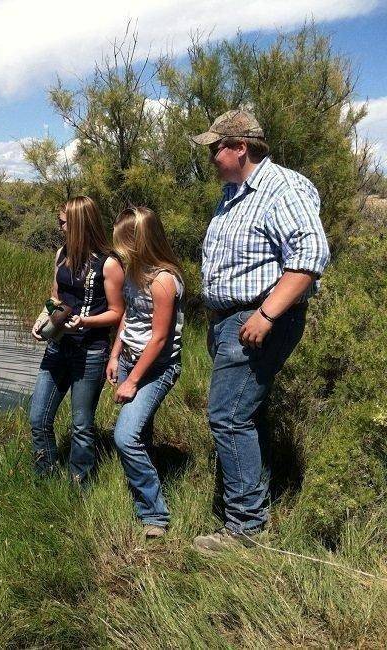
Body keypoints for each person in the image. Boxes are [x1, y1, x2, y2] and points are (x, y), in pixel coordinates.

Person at [190, 110, 330, 552]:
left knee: (227, 416)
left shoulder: (280, 187)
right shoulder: (234, 193)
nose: (211, 156)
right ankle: (254, 503)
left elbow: (310, 256)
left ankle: (246, 527)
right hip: (233, 320)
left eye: (216, 148)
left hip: (258, 320)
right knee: (244, 414)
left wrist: (267, 315)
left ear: (240, 148)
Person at [29, 196, 124, 484]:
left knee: (81, 425)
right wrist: (43, 318)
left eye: (63, 222)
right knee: (38, 420)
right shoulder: (61, 255)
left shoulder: (108, 264)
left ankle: (78, 484)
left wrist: (86, 321)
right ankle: (44, 478)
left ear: (79, 224)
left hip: (90, 353)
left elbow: (118, 313)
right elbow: (54, 298)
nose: (59, 227)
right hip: (58, 347)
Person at [106, 207, 184, 538]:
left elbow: (160, 337)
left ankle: (154, 514)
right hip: (129, 360)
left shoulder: (164, 280)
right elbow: (128, 318)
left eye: (123, 242)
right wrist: (115, 355)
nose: (119, 250)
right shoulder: (134, 272)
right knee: (140, 434)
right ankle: (148, 486)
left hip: (156, 369)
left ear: (139, 241)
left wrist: (134, 380)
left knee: (124, 436)